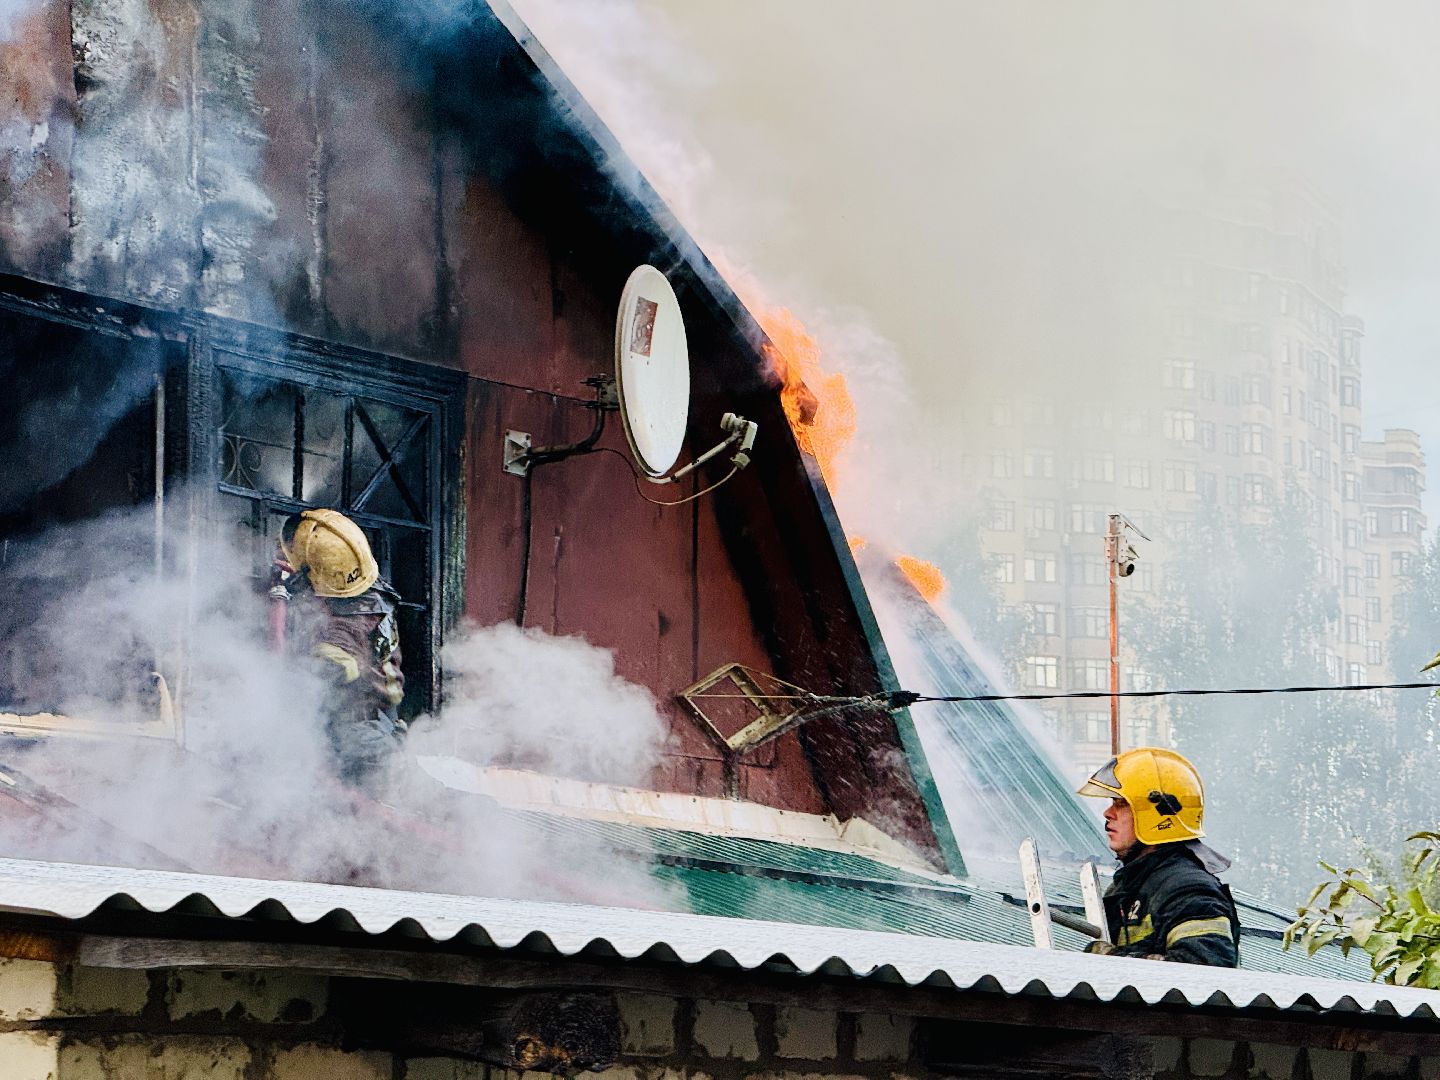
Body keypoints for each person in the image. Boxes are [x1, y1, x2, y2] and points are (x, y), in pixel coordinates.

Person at [272, 509, 406, 792]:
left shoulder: (346, 630)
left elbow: (313, 682)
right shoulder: (366, 586)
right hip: (377, 718)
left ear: (314, 574)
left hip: (358, 738)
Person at [1076, 747, 1240, 967]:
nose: (1108, 813)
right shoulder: (1128, 888)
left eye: (1121, 803)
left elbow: (1205, 972)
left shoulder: (1187, 889)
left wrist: (1112, 961)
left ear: (1157, 814)